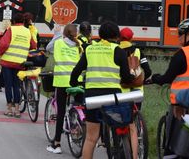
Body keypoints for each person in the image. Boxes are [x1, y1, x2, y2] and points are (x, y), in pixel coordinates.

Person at [147, 18, 189, 157]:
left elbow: (167, 78)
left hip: (181, 106)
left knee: (174, 146)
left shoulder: (182, 54)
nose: (178, 37)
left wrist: (155, 78)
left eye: (180, 33)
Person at [70, 21, 135, 159]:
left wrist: (74, 82)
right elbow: (126, 76)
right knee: (119, 129)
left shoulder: (89, 49)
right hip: (112, 97)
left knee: (90, 138)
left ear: (100, 35)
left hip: (93, 96)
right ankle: (117, 145)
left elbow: (76, 71)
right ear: (117, 36)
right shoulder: (118, 51)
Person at [46, 24, 82, 154]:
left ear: (65, 33)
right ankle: (76, 127)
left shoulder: (59, 42)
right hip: (76, 81)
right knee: (77, 106)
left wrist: (57, 34)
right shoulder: (78, 46)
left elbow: (47, 48)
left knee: (61, 112)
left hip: (61, 81)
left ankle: (57, 144)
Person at [119, 27, 152, 159]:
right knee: (134, 117)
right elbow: (148, 70)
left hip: (122, 91)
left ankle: (123, 146)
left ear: (120, 38)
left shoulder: (116, 49)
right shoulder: (138, 51)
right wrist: (142, 80)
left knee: (124, 121)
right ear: (131, 38)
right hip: (137, 91)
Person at [0, 13, 37, 118]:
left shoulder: (11, 30)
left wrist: (0, 53)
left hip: (7, 62)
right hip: (20, 63)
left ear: (14, 22)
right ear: (23, 22)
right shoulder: (28, 32)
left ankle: (9, 109)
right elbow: (33, 46)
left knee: (8, 85)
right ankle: (17, 110)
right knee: (16, 86)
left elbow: (4, 44)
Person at [0, 19, 11, 92]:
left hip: (9, 55)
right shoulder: (28, 30)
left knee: (4, 70)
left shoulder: (9, 30)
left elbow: (4, 44)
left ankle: (0, 86)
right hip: (23, 54)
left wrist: (0, 53)